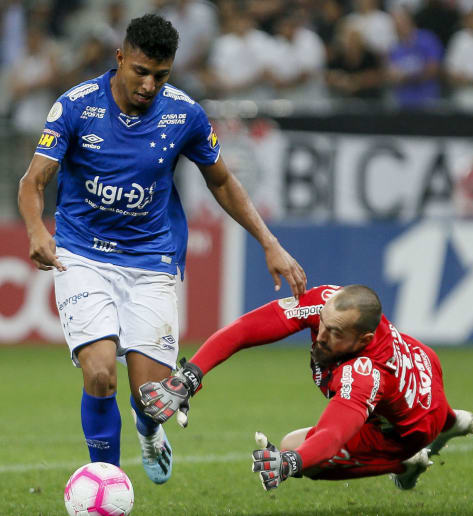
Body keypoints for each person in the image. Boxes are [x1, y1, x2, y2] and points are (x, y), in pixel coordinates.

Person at [16, 14, 306, 486]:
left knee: (152, 397)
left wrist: (269, 244)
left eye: (161, 75)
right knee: (100, 373)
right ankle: (106, 480)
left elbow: (223, 182)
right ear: (120, 59)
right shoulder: (75, 106)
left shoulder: (184, 114)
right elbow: (34, 181)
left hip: (151, 260)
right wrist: (35, 229)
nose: (149, 84)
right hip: (82, 253)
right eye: (140, 72)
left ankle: (149, 430)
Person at [139, 284, 473, 491]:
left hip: (409, 429)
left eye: (336, 334)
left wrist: (291, 462)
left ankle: (409, 462)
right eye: (323, 326)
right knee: (417, 405)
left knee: (301, 452)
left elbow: (332, 435)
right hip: (422, 363)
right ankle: (454, 422)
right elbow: (246, 329)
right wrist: (191, 375)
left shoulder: (363, 373)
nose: (322, 337)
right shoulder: (329, 303)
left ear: (364, 340)